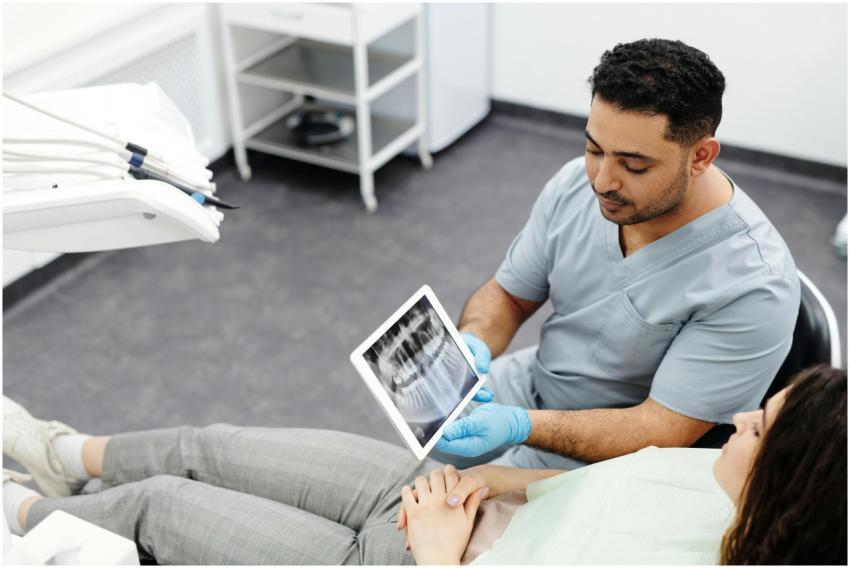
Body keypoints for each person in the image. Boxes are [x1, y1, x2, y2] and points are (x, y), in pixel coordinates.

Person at [3, 365, 845, 564]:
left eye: (760, 429)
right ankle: (60, 454)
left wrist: (440, 551)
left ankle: (18, 516)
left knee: (160, 509)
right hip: (451, 502)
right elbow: (581, 485)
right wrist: (482, 481)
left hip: (409, 560)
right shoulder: (709, 479)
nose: (739, 419)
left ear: (795, 484)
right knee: (209, 445)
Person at [437, 38, 800, 469]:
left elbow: (662, 427)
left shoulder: (755, 283)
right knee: (429, 437)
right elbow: (511, 295)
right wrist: (474, 337)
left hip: (614, 456)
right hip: (536, 381)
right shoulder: (576, 183)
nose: (601, 181)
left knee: (439, 511)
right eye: (594, 149)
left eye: (634, 165)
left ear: (700, 156)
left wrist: (523, 427)